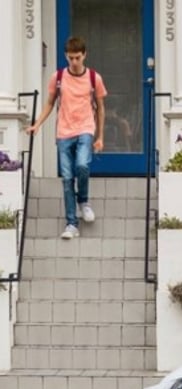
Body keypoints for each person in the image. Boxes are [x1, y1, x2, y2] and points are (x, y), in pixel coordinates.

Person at [26, 36, 107, 240]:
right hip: (63, 132)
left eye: (77, 58)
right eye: (70, 58)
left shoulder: (93, 78)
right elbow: (50, 103)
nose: (74, 62)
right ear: (66, 56)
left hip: (85, 128)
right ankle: (72, 224)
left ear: (84, 55)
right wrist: (37, 124)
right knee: (67, 179)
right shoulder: (58, 77)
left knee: (82, 166)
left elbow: (101, 109)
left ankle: (84, 201)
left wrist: (100, 137)